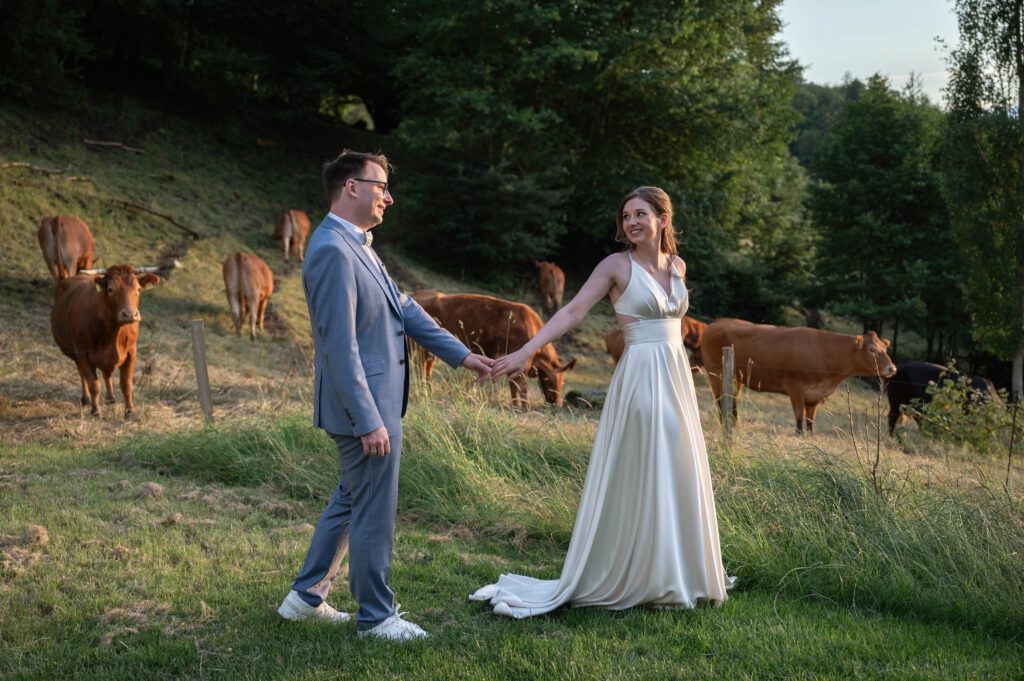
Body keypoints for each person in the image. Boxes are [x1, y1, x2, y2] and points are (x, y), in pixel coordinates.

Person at [471, 186, 734, 617]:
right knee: (645, 463)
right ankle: (638, 572)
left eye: (640, 214)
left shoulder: (678, 265)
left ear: (663, 219)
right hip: (641, 375)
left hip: (675, 377)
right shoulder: (616, 265)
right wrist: (526, 351)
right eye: (626, 216)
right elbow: (572, 312)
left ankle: (676, 571)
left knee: (677, 463)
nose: (631, 223)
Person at [278, 150, 494, 641]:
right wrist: (368, 419)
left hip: (374, 402)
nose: (389, 198)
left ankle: (304, 598)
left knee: (352, 497)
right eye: (381, 187)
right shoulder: (333, 250)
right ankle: (376, 616)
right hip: (366, 406)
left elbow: (404, 307)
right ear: (351, 187)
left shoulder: (357, 244)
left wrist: (463, 356)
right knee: (373, 507)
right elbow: (339, 346)